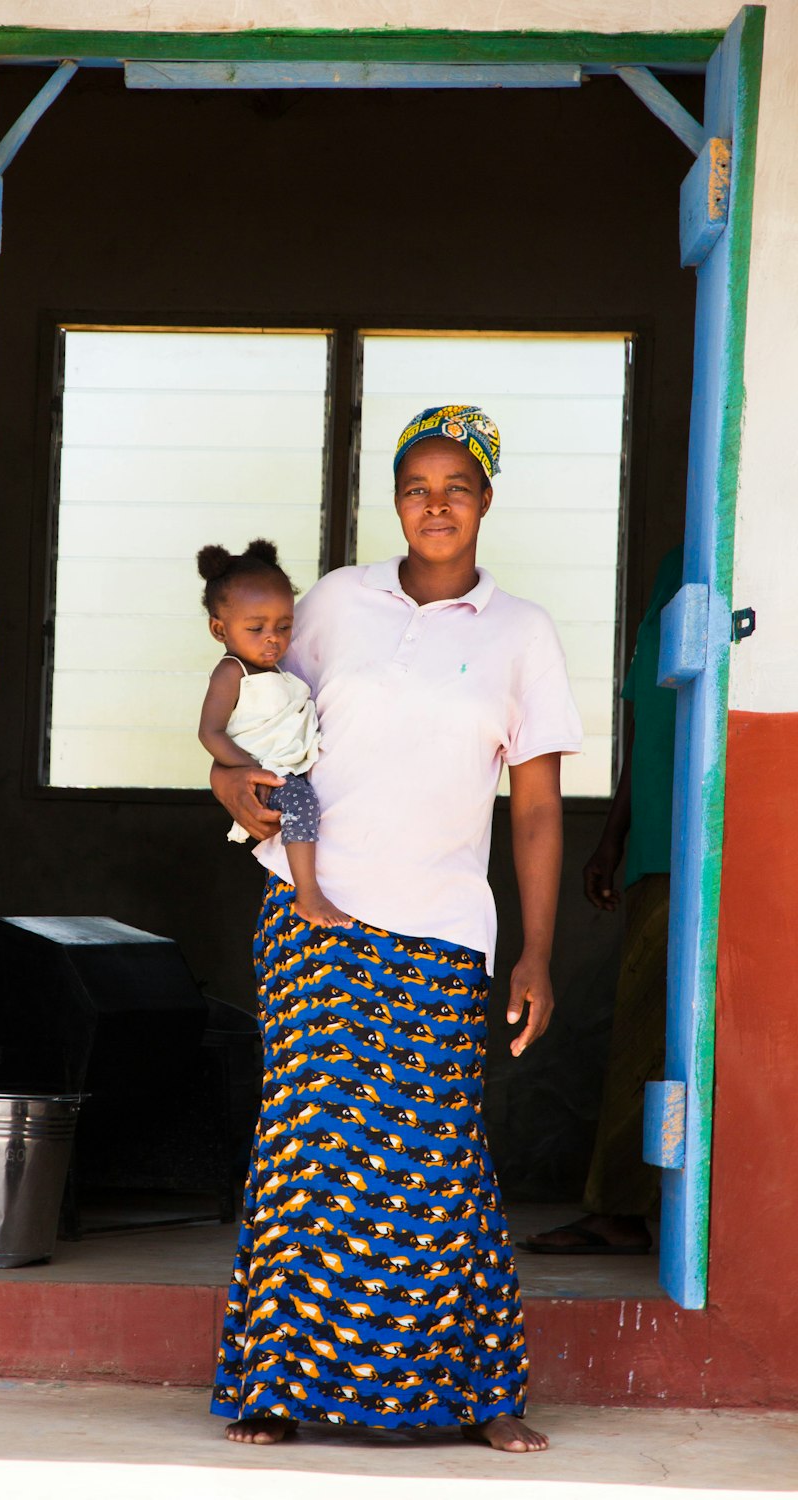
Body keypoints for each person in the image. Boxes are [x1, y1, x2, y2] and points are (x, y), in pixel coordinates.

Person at [208, 404, 582, 1453]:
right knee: (308, 1147)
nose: (434, 506)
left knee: (438, 1155)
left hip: (441, 926)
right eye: (415, 487)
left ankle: (479, 1392)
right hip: (311, 906)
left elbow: (540, 808)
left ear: (486, 501)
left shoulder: (522, 633)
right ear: (395, 501)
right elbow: (258, 711)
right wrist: (225, 778)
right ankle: (275, 1386)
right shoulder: (333, 602)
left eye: (455, 488)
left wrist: (536, 955)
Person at [521, 544, 682, 1255]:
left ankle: (622, 1206)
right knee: (644, 1035)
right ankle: (620, 1205)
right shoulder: (674, 568)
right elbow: (646, 724)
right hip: (657, 846)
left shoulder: (740, 560)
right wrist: (613, 838)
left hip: (706, 851)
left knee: (663, 1037)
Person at [197, 538, 350, 930]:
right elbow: (210, 732)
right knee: (302, 803)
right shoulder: (233, 671)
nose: (273, 637)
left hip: (279, 768)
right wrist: (249, 771)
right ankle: (308, 893)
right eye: (256, 627)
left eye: (284, 627)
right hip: (265, 773)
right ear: (220, 629)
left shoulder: (278, 672)